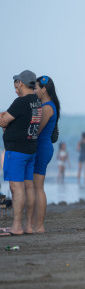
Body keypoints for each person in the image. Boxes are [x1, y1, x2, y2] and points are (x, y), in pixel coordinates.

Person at [0, 70, 42, 235]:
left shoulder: (21, 102)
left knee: (16, 188)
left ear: (21, 83)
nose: (16, 85)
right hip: (30, 148)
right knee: (28, 187)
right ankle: (28, 226)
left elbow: (3, 121)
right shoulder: (36, 101)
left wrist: (3, 119)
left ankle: (17, 226)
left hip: (17, 150)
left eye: (17, 82)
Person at [32, 75, 60, 233]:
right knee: (36, 187)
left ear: (43, 89)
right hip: (43, 147)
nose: (35, 90)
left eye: (36, 88)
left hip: (42, 148)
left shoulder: (48, 107)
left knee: (38, 187)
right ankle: (36, 224)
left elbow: (37, 131)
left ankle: (39, 225)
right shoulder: (47, 105)